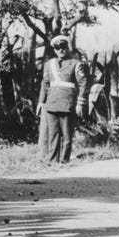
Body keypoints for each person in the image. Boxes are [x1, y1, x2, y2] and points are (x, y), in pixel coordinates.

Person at [37, 35, 89, 164]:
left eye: (63, 47)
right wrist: (41, 102)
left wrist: (80, 103)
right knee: (53, 135)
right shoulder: (49, 65)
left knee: (66, 135)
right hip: (52, 103)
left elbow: (83, 84)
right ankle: (53, 161)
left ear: (67, 48)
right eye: (58, 47)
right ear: (54, 50)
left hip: (68, 103)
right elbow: (45, 84)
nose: (61, 50)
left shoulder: (76, 64)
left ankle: (64, 160)